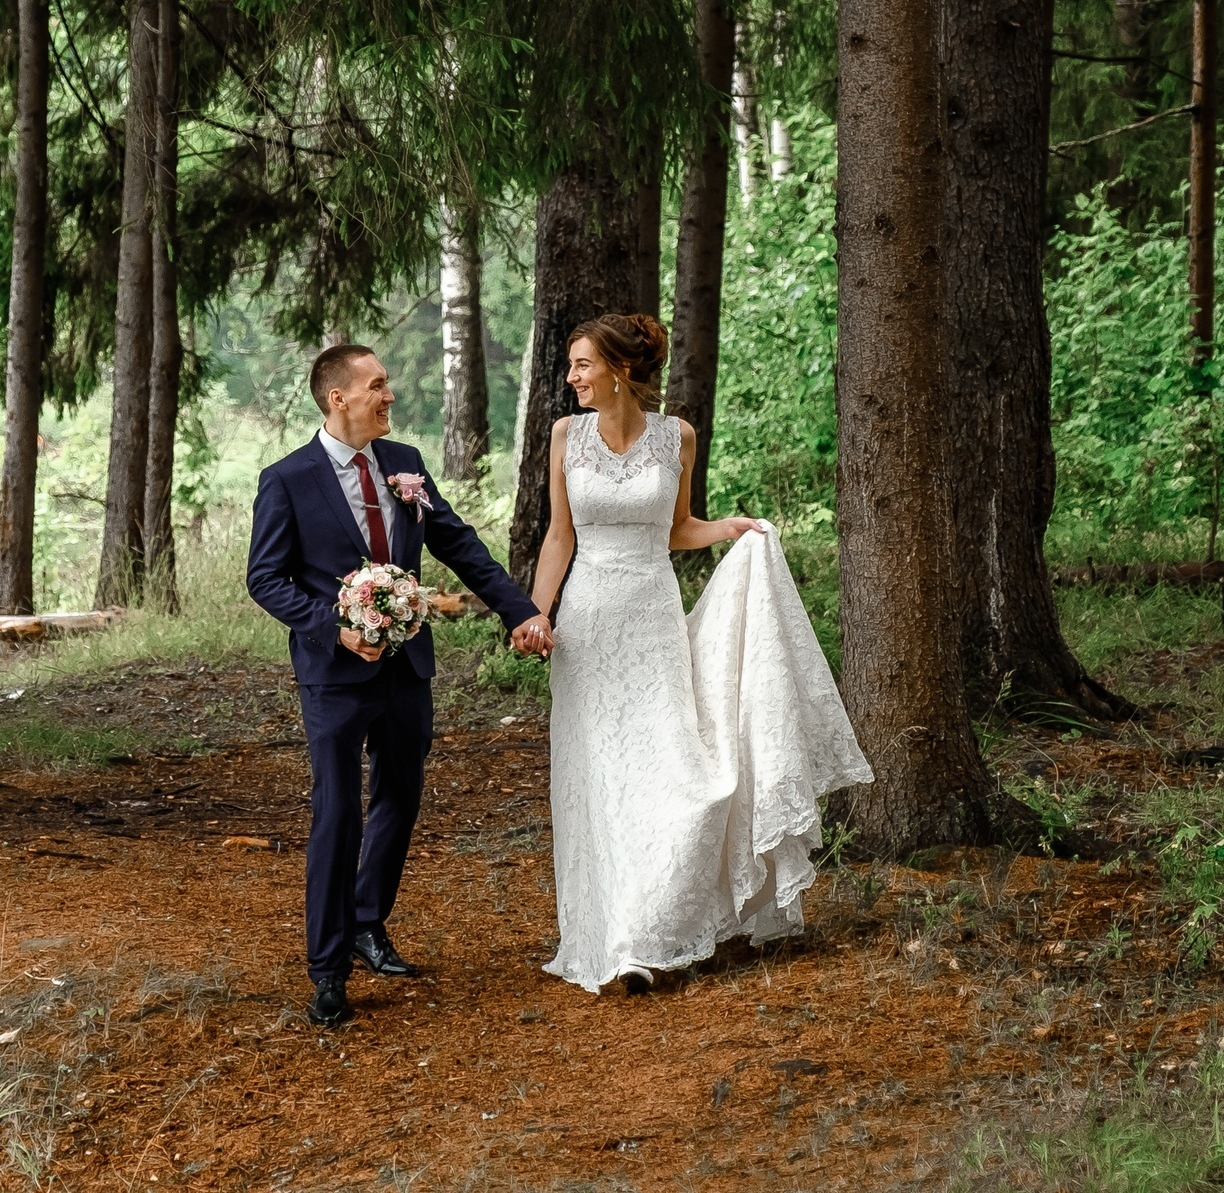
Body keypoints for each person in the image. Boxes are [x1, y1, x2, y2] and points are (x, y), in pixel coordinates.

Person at [530, 313, 872, 993]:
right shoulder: (565, 436)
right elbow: (558, 537)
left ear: (619, 370)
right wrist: (537, 611)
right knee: (600, 777)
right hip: (589, 625)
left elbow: (677, 527)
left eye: (582, 365)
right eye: (571, 365)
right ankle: (613, 934)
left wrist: (731, 529)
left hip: (653, 620)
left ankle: (659, 924)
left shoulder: (677, 436)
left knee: (665, 769)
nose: (571, 377)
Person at [246, 343, 552, 1027]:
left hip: (408, 669)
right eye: (377, 386)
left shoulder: (404, 462)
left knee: (402, 795)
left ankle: (366, 921)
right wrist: (333, 624)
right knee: (337, 813)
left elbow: (458, 542)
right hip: (334, 675)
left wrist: (520, 608)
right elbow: (265, 577)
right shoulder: (287, 478)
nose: (389, 397)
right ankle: (327, 970)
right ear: (339, 399)